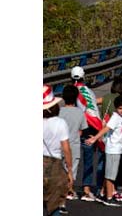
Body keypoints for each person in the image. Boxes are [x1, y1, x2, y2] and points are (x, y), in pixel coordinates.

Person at [85, 96, 122, 207]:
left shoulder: (121, 118)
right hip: (113, 150)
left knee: (110, 174)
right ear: (116, 108)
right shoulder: (116, 118)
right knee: (110, 175)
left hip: (116, 149)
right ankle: (109, 198)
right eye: (120, 108)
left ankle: (104, 193)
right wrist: (95, 138)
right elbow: (106, 129)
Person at [71, 66, 105, 202]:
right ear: (84, 77)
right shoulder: (89, 92)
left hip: (77, 128)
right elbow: (93, 109)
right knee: (88, 160)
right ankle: (86, 190)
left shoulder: (72, 92)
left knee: (72, 160)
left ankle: (70, 189)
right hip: (91, 128)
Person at [43, 85, 74, 216]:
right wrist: (70, 170)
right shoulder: (60, 123)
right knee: (54, 204)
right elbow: (66, 149)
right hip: (54, 164)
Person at [59, 85, 87, 202]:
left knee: (61, 168)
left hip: (59, 144)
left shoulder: (59, 111)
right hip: (74, 144)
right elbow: (82, 129)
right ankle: (69, 191)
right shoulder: (79, 113)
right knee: (71, 169)